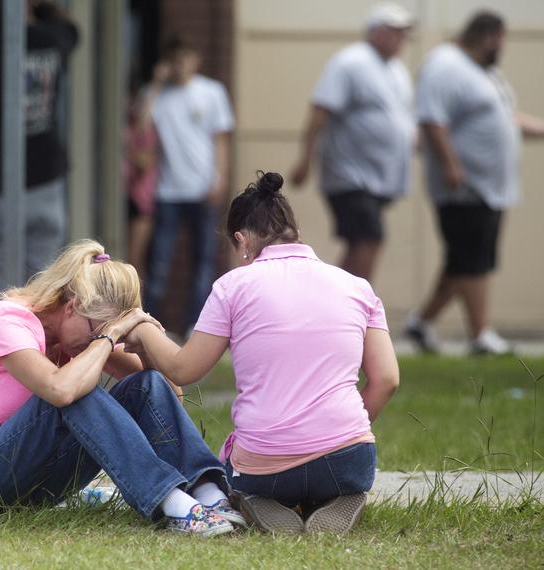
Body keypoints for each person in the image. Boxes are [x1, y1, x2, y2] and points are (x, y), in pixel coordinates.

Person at [124, 172, 399, 534]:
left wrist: (142, 326)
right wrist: (338, 438)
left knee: (234, 473)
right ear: (295, 232)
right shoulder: (357, 287)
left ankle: (258, 499)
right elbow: (387, 380)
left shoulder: (233, 286)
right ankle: (335, 495)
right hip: (349, 457)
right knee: (333, 469)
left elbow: (182, 369)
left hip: (264, 467)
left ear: (241, 241)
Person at [0, 240, 243, 537]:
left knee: (143, 385)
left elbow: (168, 396)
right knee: (73, 391)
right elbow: (58, 390)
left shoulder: (86, 332)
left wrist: (143, 344)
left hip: (32, 483)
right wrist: (109, 337)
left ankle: (209, 491)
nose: (97, 341)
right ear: (72, 306)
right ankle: (172, 502)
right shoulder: (8, 322)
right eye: (97, 331)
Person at [406, 11, 544, 355]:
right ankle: (481, 334)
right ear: (488, 36)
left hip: (491, 187)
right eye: (500, 40)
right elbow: (431, 119)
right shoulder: (445, 64)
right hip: (464, 186)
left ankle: (421, 324)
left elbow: (505, 118)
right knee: (472, 260)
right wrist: (451, 166)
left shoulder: (485, 73)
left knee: (463, 261)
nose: (502, 47)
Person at [290, 2, 416, 281]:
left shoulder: (396, 69)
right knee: (368, 239)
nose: (401, 39)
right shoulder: (351, 62)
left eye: (404, 33)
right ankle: (348, 309)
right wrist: (305, 160)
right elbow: (320, 111)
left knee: (362, 241)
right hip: (351, 176)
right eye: (394, 31)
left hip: (377, 179)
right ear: (375, 31)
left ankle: (336, 306)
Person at [143, 37, 234, 336]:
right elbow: (141, 125)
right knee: (160, 261)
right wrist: (156, 84)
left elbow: (220, 139)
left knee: (203, 260)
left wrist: (218, 177)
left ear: (195, 60)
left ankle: (196, 324)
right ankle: (150, 324)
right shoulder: (157, 96)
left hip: (201, 188)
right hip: (167, 190)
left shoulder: (211, 92)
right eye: (176, 59)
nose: (181, 65)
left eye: (186, 57)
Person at [0, 0, 79, 297]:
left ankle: (4, 342)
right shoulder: (52, 38)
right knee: (45, 282)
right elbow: (72, 29)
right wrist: (42, 7)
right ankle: (36, 341)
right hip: (45, 175)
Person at [124, 62, 169, 278]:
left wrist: (124, 147)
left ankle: (136, 305)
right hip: (121, 197)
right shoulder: (125, 127)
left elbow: (144, 162)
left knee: (134, 259)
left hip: (140, 200)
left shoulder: (142, 130)